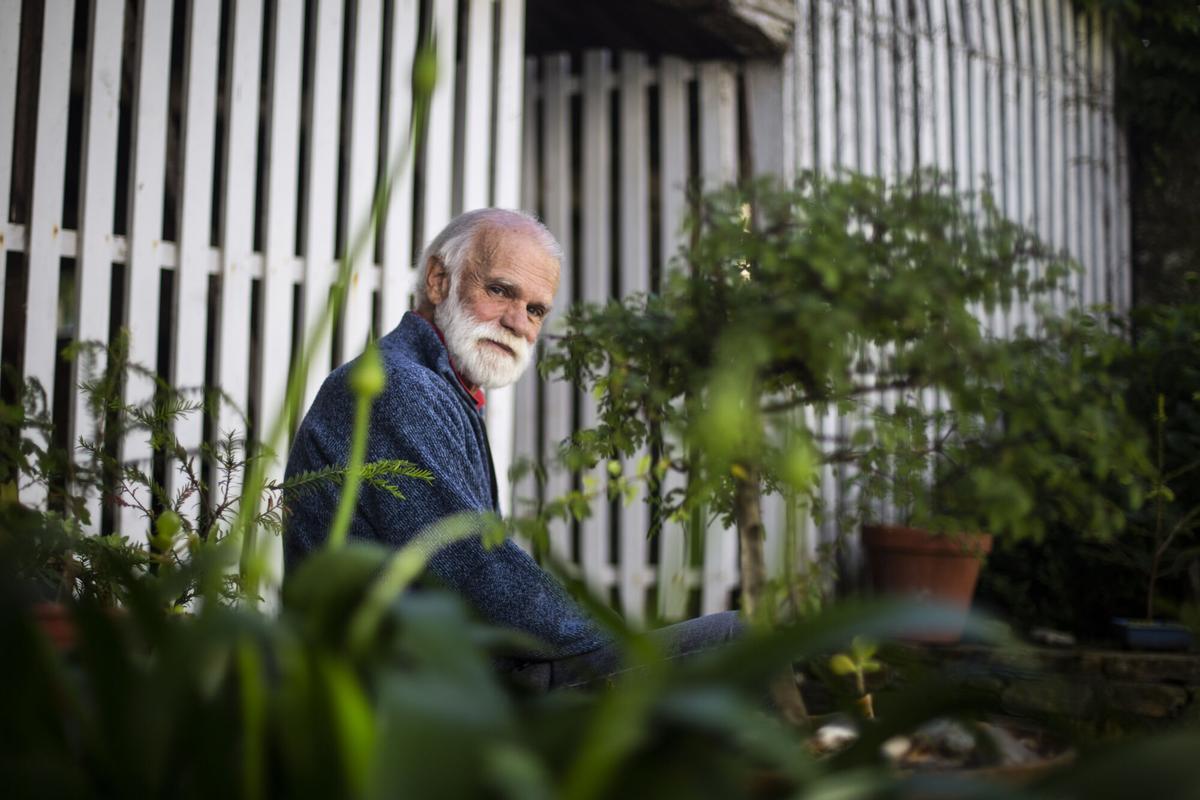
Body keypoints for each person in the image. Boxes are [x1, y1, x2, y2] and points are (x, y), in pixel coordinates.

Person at [284, 208, 745, 690]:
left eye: (536, 310)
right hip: (405, 700)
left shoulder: (441, 386)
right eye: (501, 291)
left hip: (448, 680)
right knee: (737, 641)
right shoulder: (399, 387)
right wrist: (617, 638)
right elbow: (476, 575)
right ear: (439, 281)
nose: (516, 323)